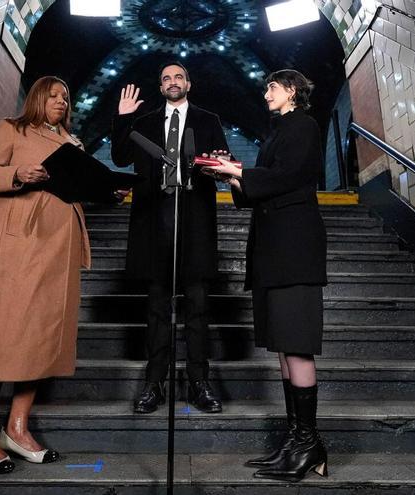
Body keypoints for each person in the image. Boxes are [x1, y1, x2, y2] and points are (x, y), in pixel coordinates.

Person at [0, 76, 115, 474]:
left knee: (42, 333)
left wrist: (104, 187)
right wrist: (18, 174)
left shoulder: (71, 143)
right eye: (55, 95)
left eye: (67, 96)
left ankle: (18, 427)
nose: (62, 101)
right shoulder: (13, 128)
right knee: (1, 331)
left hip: (57, 248)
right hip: (16, 242)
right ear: (38, 97)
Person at [206, 69, 329, 481]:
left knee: (296, 345)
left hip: (294, 249)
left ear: (292, 89)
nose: (265, 94)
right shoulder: (277, 132)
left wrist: (240, 173)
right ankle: (297, 441)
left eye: (271, 87)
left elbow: (290, 177)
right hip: (273, 250)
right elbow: (261, 190)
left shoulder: (304, 126)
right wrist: (232, 177)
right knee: (282, 346)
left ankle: (309, 443)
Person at [110, 62, 228, 414]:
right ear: (160, 87)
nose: (172, 82)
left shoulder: (209, 120)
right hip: (153, 221)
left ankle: (199, 383)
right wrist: (122, 117)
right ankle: (153, 384)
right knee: (157, 308)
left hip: (195, 221)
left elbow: (222, 162)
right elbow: (119, 157)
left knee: (197, 307)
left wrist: (217, 162)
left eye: (178, 77)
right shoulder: (144, 122)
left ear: (188, 83)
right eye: (165, 79)